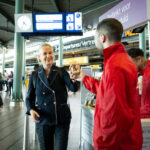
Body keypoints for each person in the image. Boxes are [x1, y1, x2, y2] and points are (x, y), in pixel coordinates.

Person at [73, 18, 143, 150]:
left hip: (114, 143)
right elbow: (107, 93)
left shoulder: (114, 65)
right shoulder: (124, 61)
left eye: (95, 36)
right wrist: (84, 78)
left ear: (102, 37)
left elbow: (112, 112)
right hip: (128, 138)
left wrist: (102, 141)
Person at [25, 43, 80, 150]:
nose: (48, 55)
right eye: (44, 53)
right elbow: (29, 98)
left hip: (62, 117)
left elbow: (73, 88)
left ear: (53, 55)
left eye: (50, 52)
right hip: (43, 119)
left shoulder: (61, 71)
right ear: (39, 57)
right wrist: (31, 109)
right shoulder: (35, 75)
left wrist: (75, 78)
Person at [127, 48, 150, 118]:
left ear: (139, 59)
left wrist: (132, 113)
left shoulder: (148, 75)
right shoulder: (144, 74)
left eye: (130, 63)